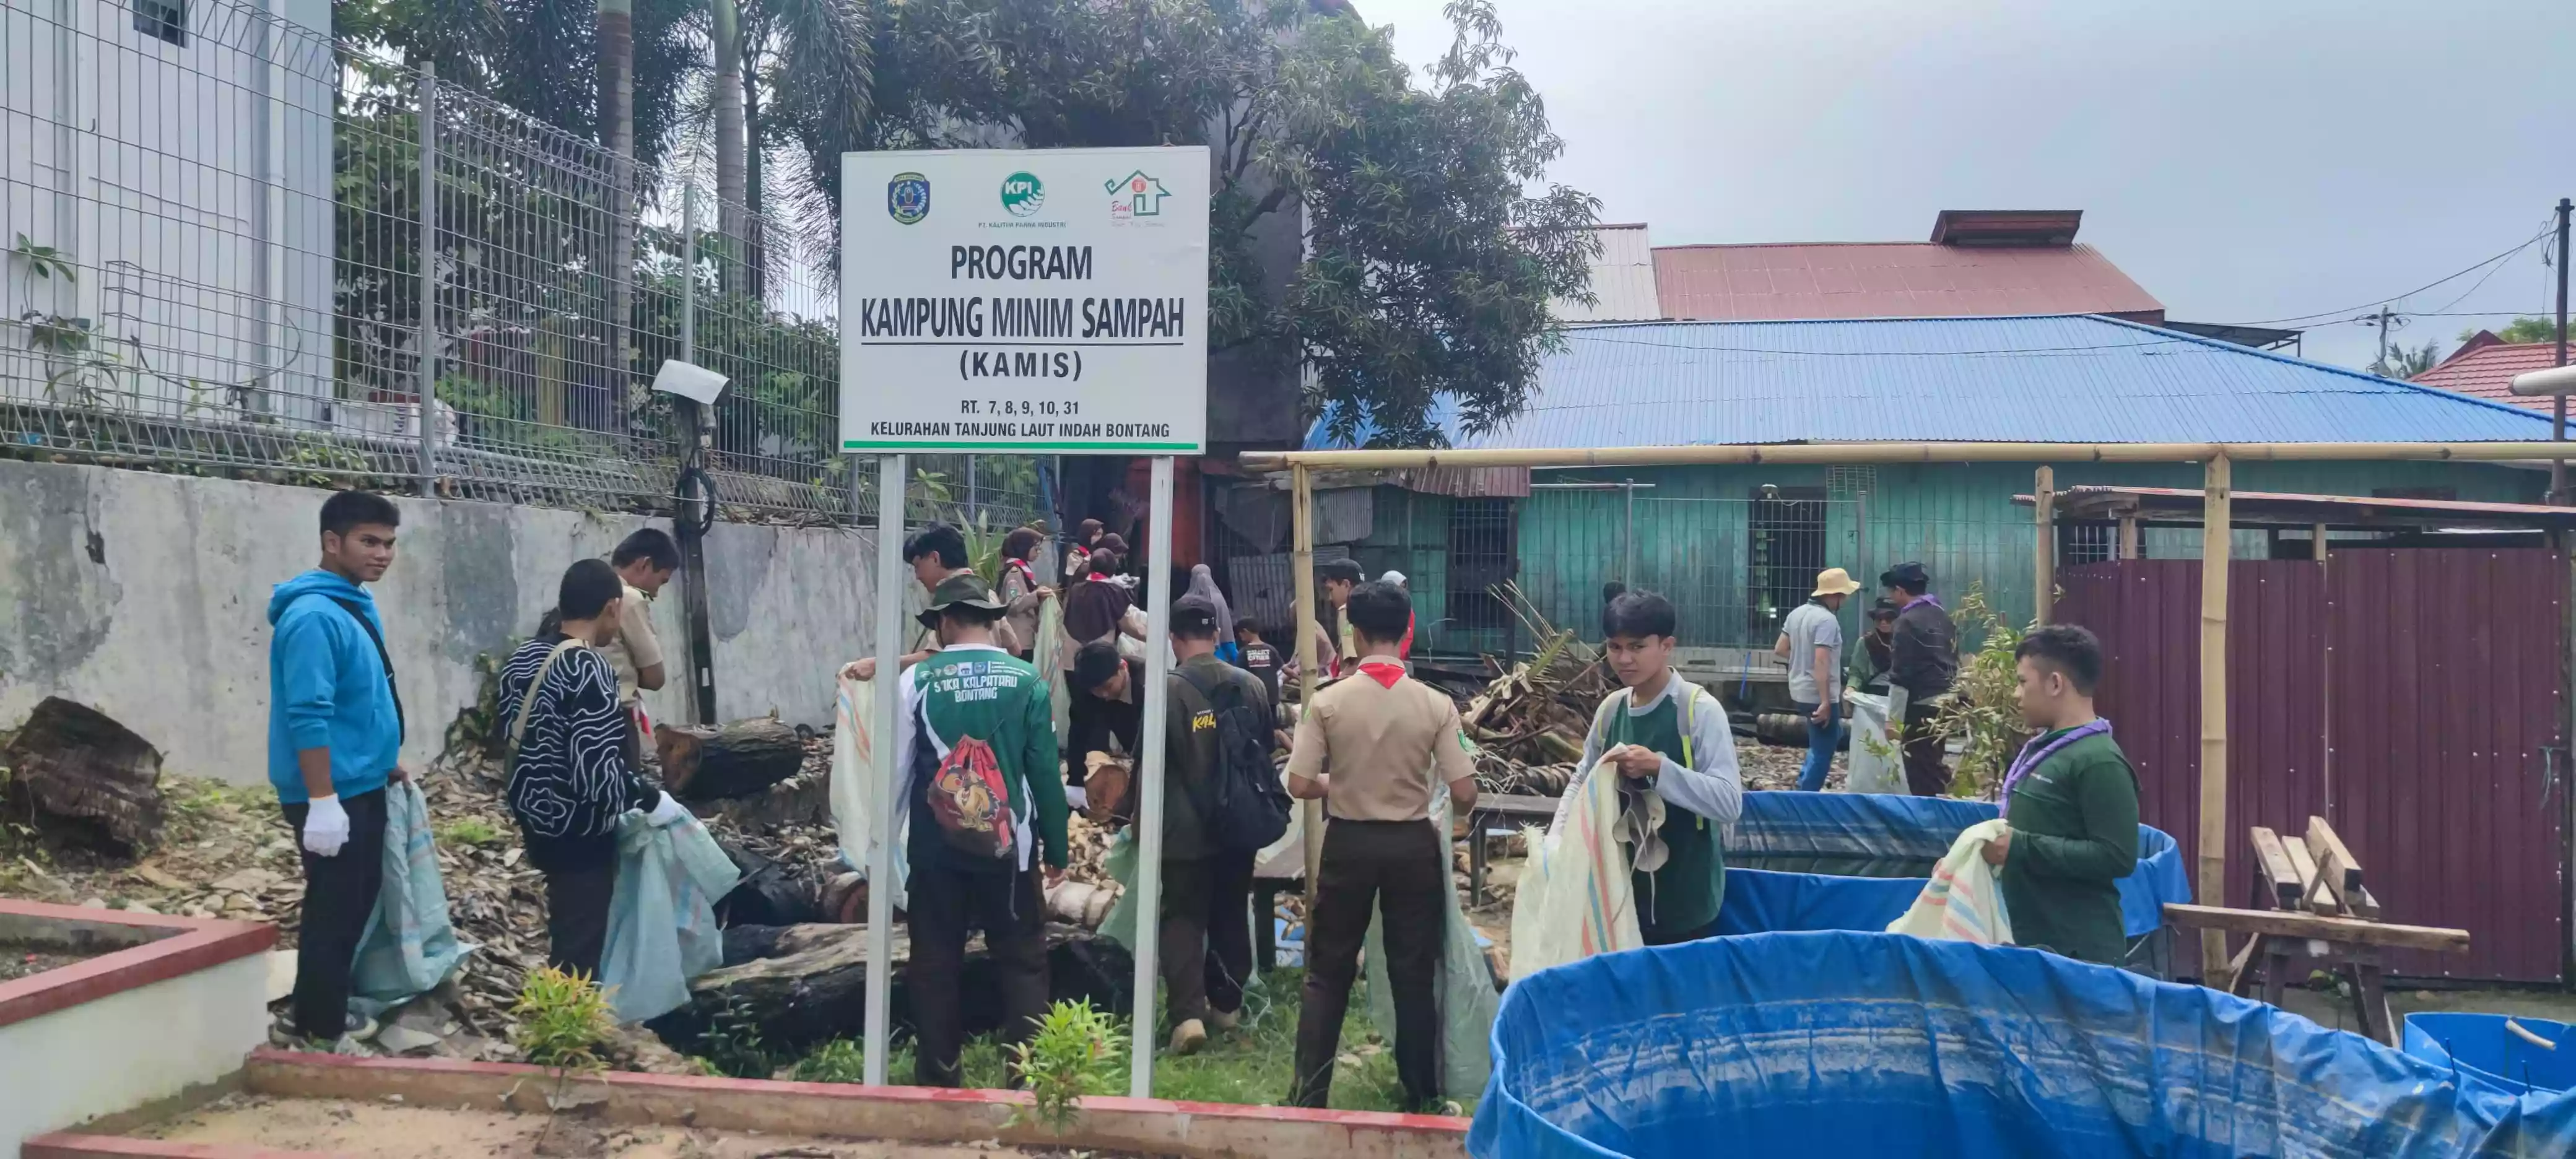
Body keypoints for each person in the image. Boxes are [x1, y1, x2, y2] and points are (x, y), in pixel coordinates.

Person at [1285, 580, 1477, 1112]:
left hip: (1349, 843)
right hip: (1412, 846)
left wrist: (1340, 784)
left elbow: (1299, 784)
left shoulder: (1326, 702)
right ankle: (1420, 1093)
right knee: (1412, 971)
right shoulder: (1437, 705)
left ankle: (1309, 1093)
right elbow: (1464, 792)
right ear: (1407, 631)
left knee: (1328, 970)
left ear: (1355, 633)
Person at [892, 573, 1068, 1087]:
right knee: (1023, 961)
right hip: (1010, 855)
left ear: (945, 623)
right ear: (992, 623)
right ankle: (1029, 1076)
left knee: (935, 962)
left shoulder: (915, 682)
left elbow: (898, 775)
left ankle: (941, 1074)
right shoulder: (1027, 681)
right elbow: (1044, 777)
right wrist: (1055, 847)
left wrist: (885, 847)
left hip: (935, 853)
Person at [498, 560, 687, 979]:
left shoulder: (522, 659)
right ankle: (566, 1021)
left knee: (566, 916)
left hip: (533, 817)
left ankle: (561, 1002)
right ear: (612, 609)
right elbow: (595, 773)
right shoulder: (590, 669)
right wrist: (649, 798)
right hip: (578, 828)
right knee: (581, 937)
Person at [268, 489, 409, 1045]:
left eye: (390, 543)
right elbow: (309, 715)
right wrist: (323, 801)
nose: (382, 554)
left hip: (359, 780)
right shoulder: (312, 617)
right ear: (332, 542)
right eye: (368, 542)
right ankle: (319, 1033)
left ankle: (315, 1007)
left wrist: (381, 762)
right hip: (330, 793)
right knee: (333, 907)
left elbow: (358, 699)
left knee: (354, 900)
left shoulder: (348, 601)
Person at [1581, 590, 1745, 945]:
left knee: (1679, 996)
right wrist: (1557, 843)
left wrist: (1660, 768)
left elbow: (1730, 803)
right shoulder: (1611, 710)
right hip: (1620, 897)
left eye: (1637, 647)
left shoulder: (1698, 710)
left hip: (1687, 898)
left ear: (1667, 646)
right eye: (1614, 647)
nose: (1623, 659)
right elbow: (1582, 779)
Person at [1154, 598, 1273, 1054]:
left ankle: (1187, 1017)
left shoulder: (1167, 690)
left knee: (1183, 917)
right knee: (1229, 911)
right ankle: (1227, 1006)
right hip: (1238, 824)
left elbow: (1152, 764)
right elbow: (1260, 754)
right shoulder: (1252, 686)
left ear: (1174, 638)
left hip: (1184, 832)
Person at [1984, 624, 2139, 965]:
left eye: (2023, 682)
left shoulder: (2098, 760)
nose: (2016, 694)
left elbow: (2117, 857)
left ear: (2055, 683)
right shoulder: (2048, 748)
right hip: (2035, 948)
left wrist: (2021, 846)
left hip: (2076, 957)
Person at [1775, 567, 1860, 792]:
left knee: (1824, 739)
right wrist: (1825, 701)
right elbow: (1821, 661)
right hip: (1819, 692)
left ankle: (1804, 784)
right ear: (1835, 595)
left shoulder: (1797, 613)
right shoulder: (1827, 620)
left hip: (1799, 688)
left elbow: (1780, 649)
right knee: (1824, 748)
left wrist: (1802, 658)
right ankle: (1807, 795)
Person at [600, 527, 678, 770]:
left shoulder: (590, 588)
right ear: (645, 564)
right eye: (661, 581)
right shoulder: (628, 598)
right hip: (615, 718)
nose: (655, 593)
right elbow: (656, 678)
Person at [1882, 563, 1959, 797]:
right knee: (1932, 761)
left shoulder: (1906, 622)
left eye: (1891, 592)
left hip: (1920, 704)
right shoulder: (1944, 616)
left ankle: (1930, 819)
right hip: (1946, 701)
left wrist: (1892, 720)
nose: (1891, 598)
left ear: (1900, 590)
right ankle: (1948, 800)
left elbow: (1901, 674)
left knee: (1919, 768)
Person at [1068, 640, 1144, 808]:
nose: (1103, 694)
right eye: (1096, 690)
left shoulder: (1150, 682)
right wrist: (1076, 780)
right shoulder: (1088, 688)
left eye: (1108, 686)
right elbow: (1077, 735)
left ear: (1122, 667)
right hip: (1131, 745)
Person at [998, 526, 1051, 660]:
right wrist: (1036, 595)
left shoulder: (1022, 570)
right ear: (1023, 547)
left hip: (1025, 636)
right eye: (1036, 548)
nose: (1039, 552)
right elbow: (1013, 603)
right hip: (1019, 638)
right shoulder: (1014, 572)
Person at [1312, 558, 1364, 677]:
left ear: (1346, 585)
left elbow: (1351, 664)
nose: (1330, 598)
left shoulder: (1346, 613)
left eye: (1331, 590)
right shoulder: (1374, 608)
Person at [1185, 564, 1238, 663]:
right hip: (1221, 651)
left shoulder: (1187, 601)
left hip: (1195, 648)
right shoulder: (1218, 598)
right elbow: (1226, 628)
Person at [1232, 616, 1284, 706]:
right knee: (1272, 720)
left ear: (1245, 631)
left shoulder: (1244, 652)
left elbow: (1236, 675)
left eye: (1240, 632)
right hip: (1272, 697)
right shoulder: (1271, 649)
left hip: (1254, 698)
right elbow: (1285, 669)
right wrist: (1300, 679)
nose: (1239, 635)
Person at [1854, 599, 1900, 694]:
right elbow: (1856, 672)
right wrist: (1852, 688)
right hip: (1873, 694)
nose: (1883, 622)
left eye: (1889, 619)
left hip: (1900, 694)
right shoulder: (1865, 642)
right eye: (1879, 618)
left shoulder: (1908, 641)